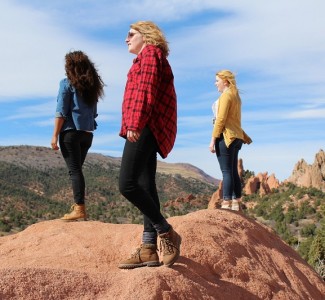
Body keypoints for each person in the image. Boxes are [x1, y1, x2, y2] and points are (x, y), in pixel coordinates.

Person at [118, 21, 181, 269]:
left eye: (131, 34)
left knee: (127, 184)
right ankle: (148, 249)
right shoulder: (144, 58)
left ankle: (166, 232)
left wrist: (134, 122)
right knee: (145, 185)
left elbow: (146, 91)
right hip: (146, 125)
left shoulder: (151, 54)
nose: (126, 39)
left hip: (145, 126)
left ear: (146, 36)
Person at [51, 50, 105, 221]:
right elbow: (94, 113)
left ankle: (79, 208)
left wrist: (54, 136)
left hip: (70, 133)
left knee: (74, 171)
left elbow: (61, 112)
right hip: (87, 134)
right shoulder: (93, 87)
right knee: (77, 171)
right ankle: (78, 206)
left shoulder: (66, 84)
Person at [209, 70, 252, 211]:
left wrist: (212, 140)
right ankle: (236, 201)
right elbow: (235, 121)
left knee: (226, 171)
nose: (216, 84)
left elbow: (220, 120)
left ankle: (226, 203)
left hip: (226, 137)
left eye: (217, 81)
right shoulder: (236, 97)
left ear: (225, 81)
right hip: (237, 137)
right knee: (233, 170)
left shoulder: (226, 96)